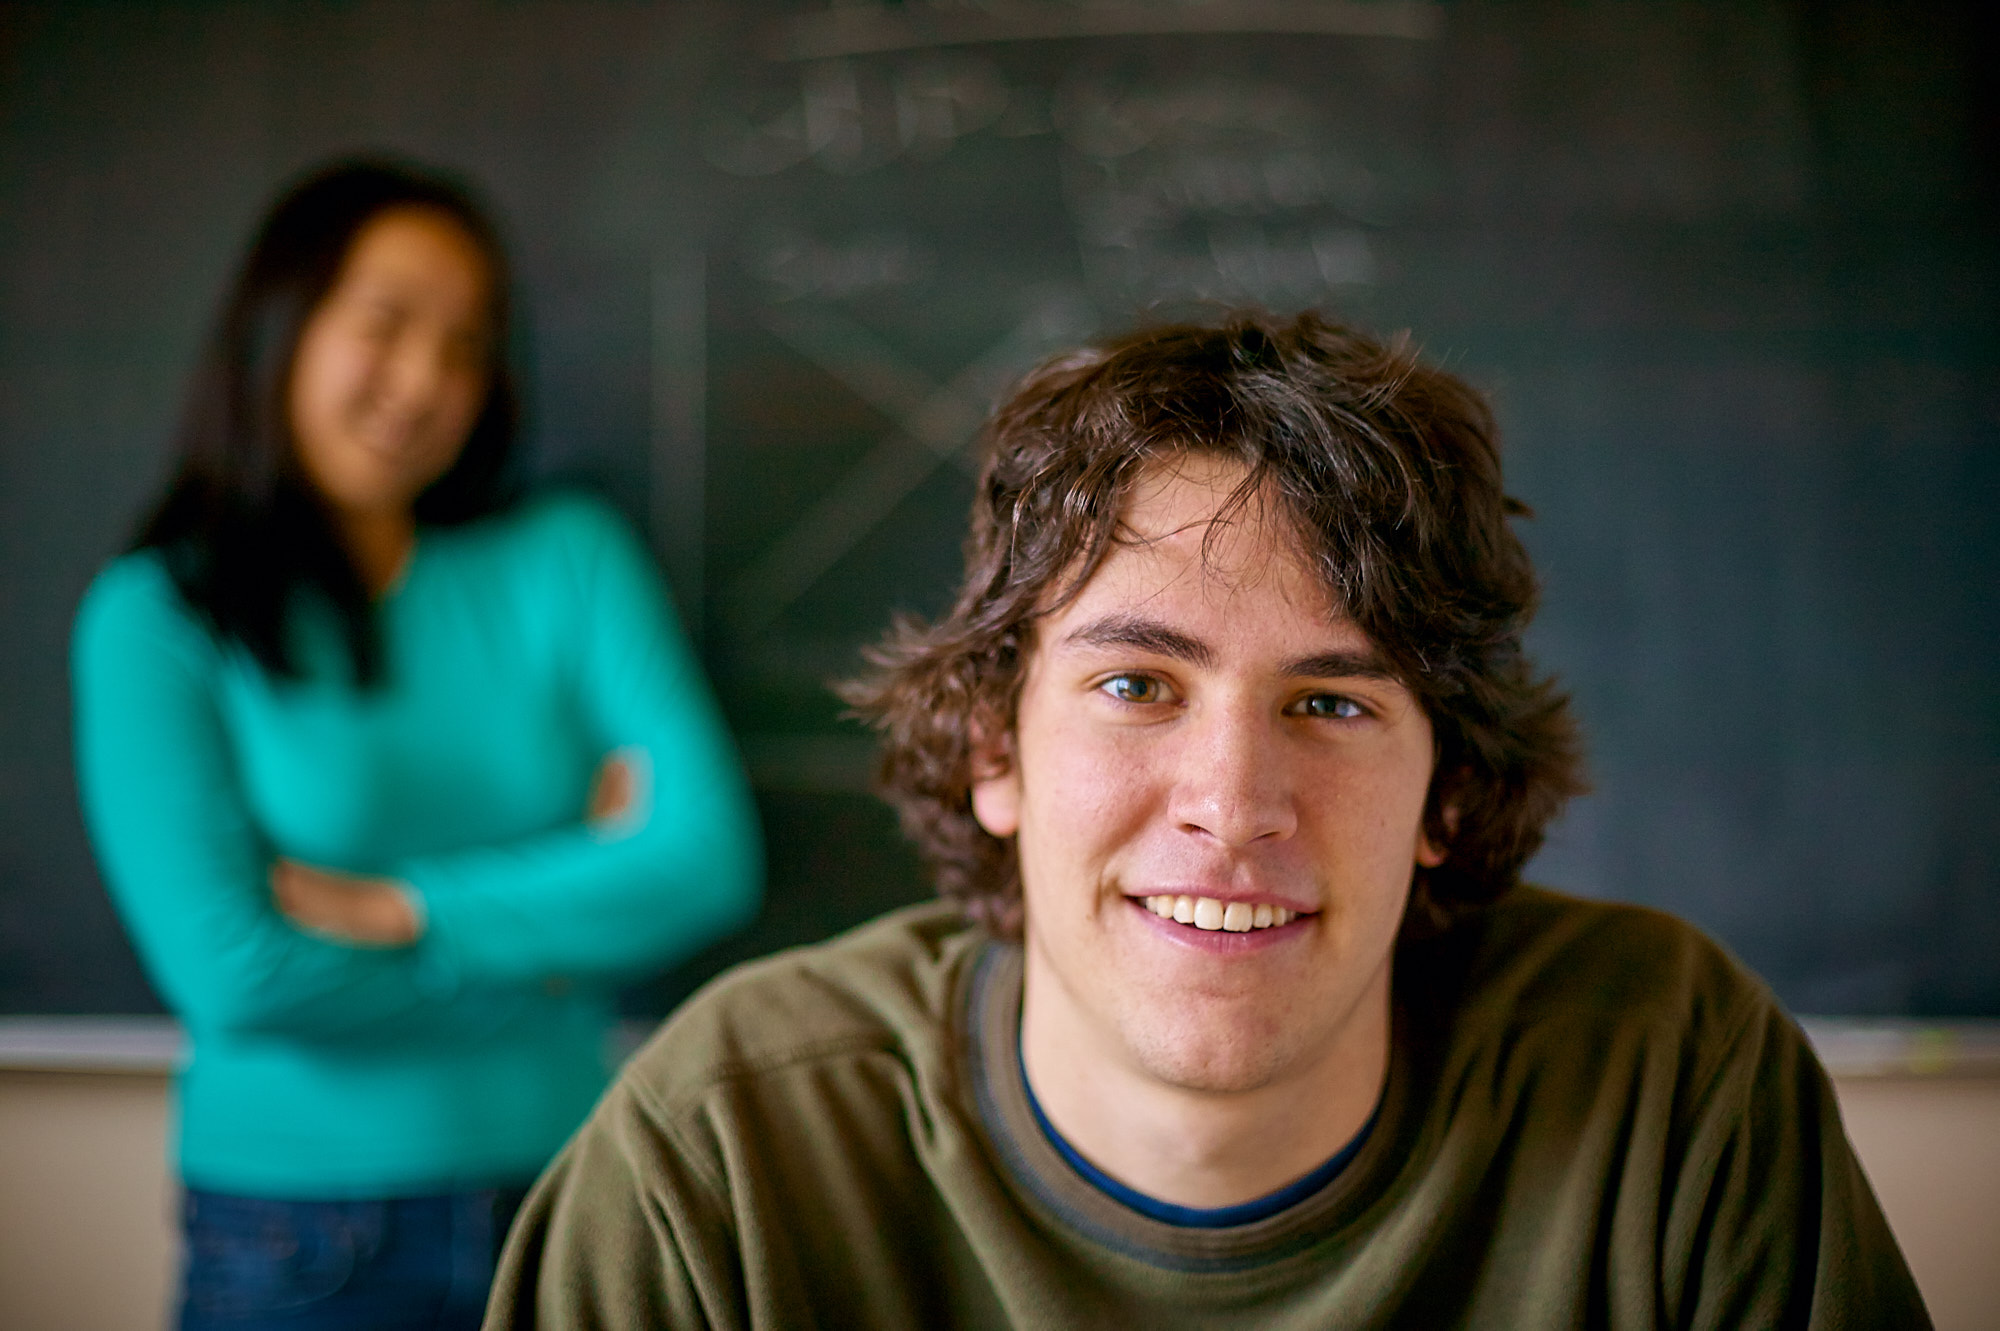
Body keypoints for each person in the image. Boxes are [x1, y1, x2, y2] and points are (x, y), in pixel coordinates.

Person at [485, 312, 1929, 1329]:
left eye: (1334, 703)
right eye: (1136, 682)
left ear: (1450, 786)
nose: (1232, 805)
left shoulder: (1668, 1077)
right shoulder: (722, 1153)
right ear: (995, 741)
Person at [71, 159, 763, 1330]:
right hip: (293, 1238)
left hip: (578, 1198)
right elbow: (236, 974)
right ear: (281, 325)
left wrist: (404, 908)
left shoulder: (567, 557)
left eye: (466, 344)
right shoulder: (157, 616)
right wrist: (562, 944)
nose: (426, 381)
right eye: (386, 325)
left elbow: (706, 858)